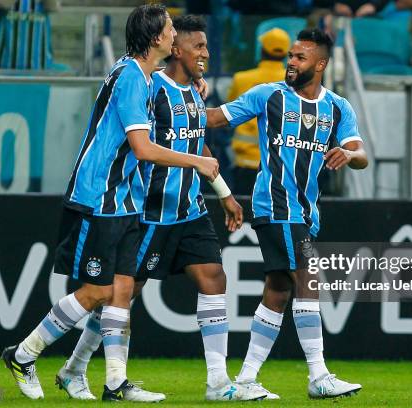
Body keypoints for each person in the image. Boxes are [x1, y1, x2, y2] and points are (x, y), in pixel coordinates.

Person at [1, 4, 219, 402]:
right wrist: (197, 160)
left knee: (121, 290)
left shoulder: (144, 74)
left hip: (126, 202)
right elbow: (142, 147)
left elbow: (165, 101)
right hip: (99, 197)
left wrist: (194, 89)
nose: (175, 35)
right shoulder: (132, 79)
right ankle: (23, 353)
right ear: (157, 38)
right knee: (97, 292)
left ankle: (116, 382)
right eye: (171, 30)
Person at [53, 15, 267, 402]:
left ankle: (218, 383)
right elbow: (143, 146)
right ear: (176, 49)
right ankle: (75, 366)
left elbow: (194, 145)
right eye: (198, 46)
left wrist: (224, 193)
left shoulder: (194, 93)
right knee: (119, 295)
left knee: (213, 278)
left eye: (205, 45)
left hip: (190, 208)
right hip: (151, 210)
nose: (206, 53)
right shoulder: (152, 87)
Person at [206, 28, 368, 399]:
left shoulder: (338, 107)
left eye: (300, 57)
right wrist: (183, 101)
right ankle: (318, 375)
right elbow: (218, 118)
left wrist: (350, 155)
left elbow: (361, 155)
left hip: (306, 211)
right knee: (308, 277)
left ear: (321, 64)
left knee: (278, 289)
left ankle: (246, 379)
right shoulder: (269, 96)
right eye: (290, 56)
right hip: (276, 206)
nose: (290, 63)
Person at [227, 27, 290, 195]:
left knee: (245, 215)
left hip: (245, 163)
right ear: (285, 54)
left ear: (262, 50)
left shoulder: (241, 79)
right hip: (281, 165)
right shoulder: (294, 82)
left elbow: (228, 115)